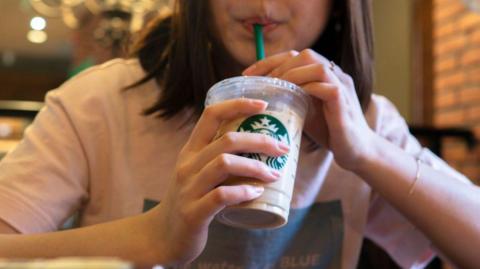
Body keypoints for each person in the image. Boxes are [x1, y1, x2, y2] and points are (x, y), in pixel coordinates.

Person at [0, 0, 479, 268]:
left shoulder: (361, 119)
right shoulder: (100, 103)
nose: (260, 2)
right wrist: (153, 237)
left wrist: (369, 152)